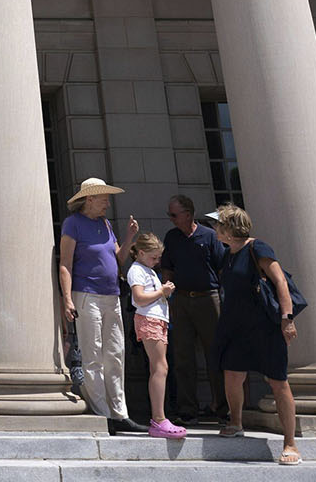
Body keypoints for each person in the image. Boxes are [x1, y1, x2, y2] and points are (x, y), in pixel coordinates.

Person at [210, 204, 301, 467]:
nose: (215, 228)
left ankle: (290, 443)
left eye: (218, 224)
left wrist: (287, 319)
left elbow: (280, 281)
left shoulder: (257, 247)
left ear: (228, 229)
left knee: (278, 382)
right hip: (236, 328)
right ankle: (236, 422)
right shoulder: (228, 254)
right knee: (232, 374)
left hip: (264, 328)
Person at [58, 177, 144, 434]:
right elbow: (65, 263)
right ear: (90, 199)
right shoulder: (73, 224)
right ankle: (102, 413)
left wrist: (129, 236)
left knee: (115, 354)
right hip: (86, 295)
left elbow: (118, 258)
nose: (108, 202)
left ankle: (119, 413)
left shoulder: (105, 224)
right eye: (104, 197)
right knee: (92, 354)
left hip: (111, 295)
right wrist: (67, 299)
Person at [159, 193, 227, 423]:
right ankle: (187, 409)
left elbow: (221, 268)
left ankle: (221, 406)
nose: (171, 218)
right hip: (181, 299)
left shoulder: (209, 236)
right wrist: (167, 294)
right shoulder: (172, 237)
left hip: (208, 298)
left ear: (188, 214)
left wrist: (222, 298)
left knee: (214, 354)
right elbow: (167, 267)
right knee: (183, 356)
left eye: (174, 214)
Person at [126, 231, 187, 439]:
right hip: (149, 319)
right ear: (141, 253)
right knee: (160, 367)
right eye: (153, 257)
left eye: (158, 257)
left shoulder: (146, 269)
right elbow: (139, 298)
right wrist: (162, 292)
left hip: (157, 319)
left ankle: (159, 418)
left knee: (160, 367)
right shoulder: (137, 270)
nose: (157, 261)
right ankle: (159, 419)